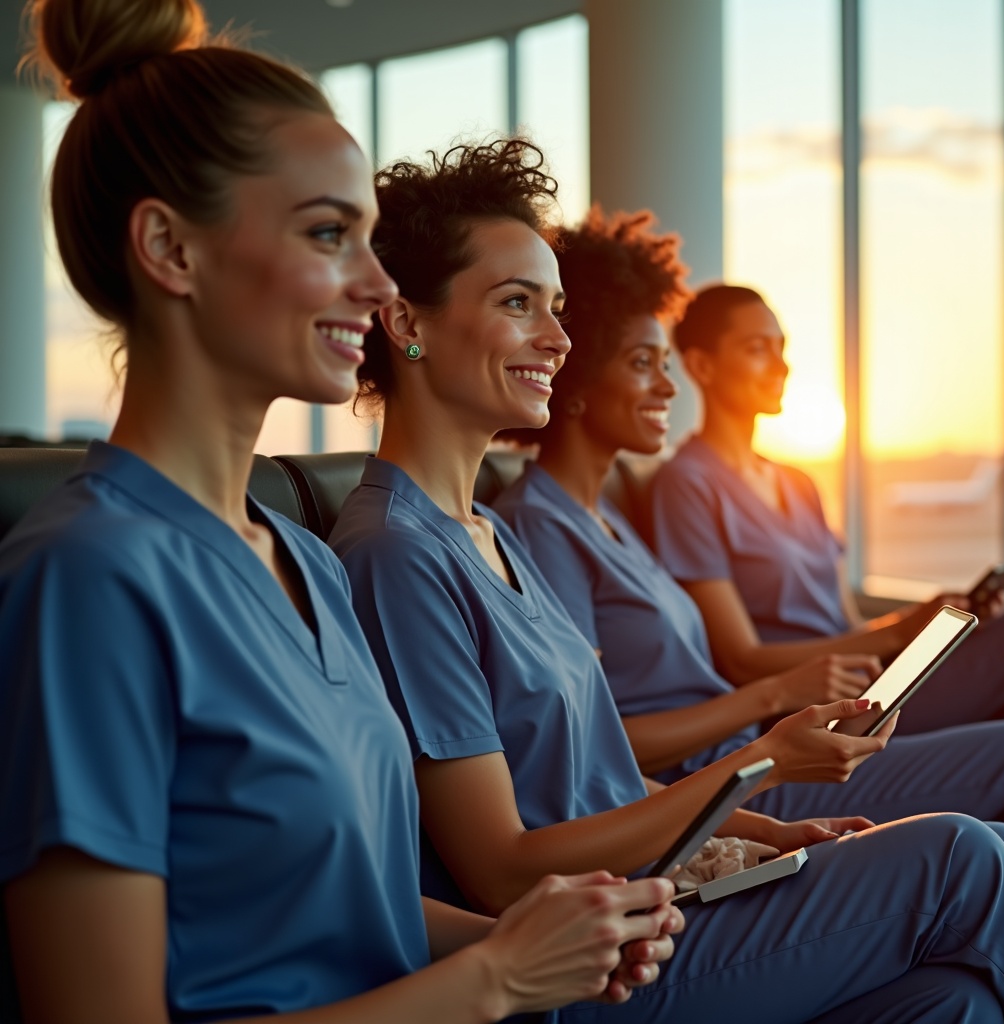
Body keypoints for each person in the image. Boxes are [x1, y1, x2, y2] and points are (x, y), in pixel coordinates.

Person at [330, 138, 1004, 1023]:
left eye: (556, 309)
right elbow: (499, 870)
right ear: (404, 324)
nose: (558, 339)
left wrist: (763, 827)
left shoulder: (488, 536)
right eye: (517, 303)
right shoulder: (398, 556)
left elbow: (602, 778)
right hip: (597, 958)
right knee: (967, 858)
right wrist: (763, 759)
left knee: (957, 1001)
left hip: (661, 886)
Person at [0, 3, 679, 1021]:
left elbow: (354, 912)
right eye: (330, 234)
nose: (375, 283)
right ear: (170, 249)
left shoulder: (304, 561)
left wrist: (545, 941)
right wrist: (496, 977)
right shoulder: (89, 580)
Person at [491, 207, 1004, 1020]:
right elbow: (600, 742)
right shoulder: (548, 528)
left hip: (748, 753)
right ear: (577, 381)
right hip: (725, 767)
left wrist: (880, 647)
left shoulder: (612, 520)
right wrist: (774, 712)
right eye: (643, 363)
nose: (667, 387)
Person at [649, 282, 1004, 849]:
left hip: (870, 680)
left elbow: (846, 622)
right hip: (814, 709)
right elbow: (740, 658)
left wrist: (918, 627)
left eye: (782, 347)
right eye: (756, 349)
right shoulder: (687, 485)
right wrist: (898, 632)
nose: (781, 365)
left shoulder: (798, 484)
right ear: (701, 365)